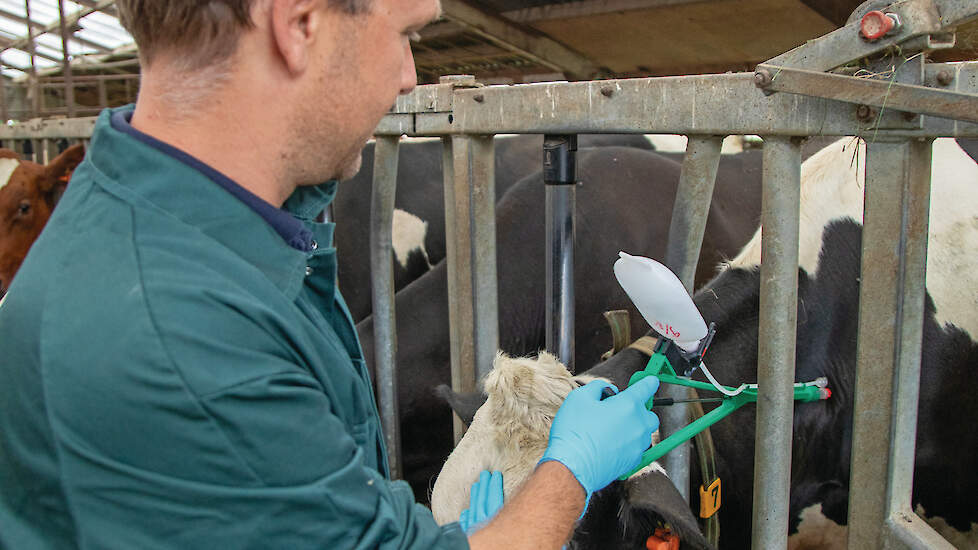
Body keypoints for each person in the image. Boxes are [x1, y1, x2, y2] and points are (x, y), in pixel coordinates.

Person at [0, 1, 661, 548]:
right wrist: (567, 475)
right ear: (300, 25)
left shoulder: (141, 220)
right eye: (404, 36)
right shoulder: (186, 336)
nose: (408, 76)